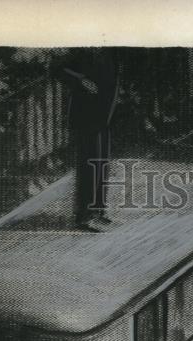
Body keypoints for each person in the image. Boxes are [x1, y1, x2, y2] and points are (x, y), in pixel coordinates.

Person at [54, 47, 120, 232]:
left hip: (104, 114)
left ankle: (98, 210)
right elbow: (58, 69)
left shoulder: (110, 49)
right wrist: (81, 80)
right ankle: (84, 215)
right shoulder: (80, 47)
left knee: (101, 163)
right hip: (86, 115)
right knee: (88, 164)